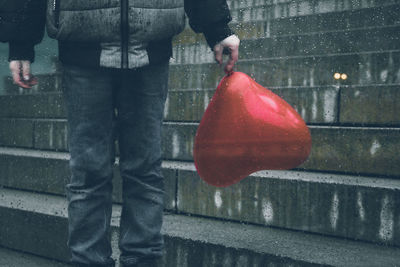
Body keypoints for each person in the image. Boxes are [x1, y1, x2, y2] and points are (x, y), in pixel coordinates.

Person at [0, 0, 240, 266]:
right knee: (92, 172)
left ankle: (141, 261)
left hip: (150, 45)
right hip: (83, 45)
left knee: (142, 169)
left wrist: (217, 27)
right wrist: (20, 41)